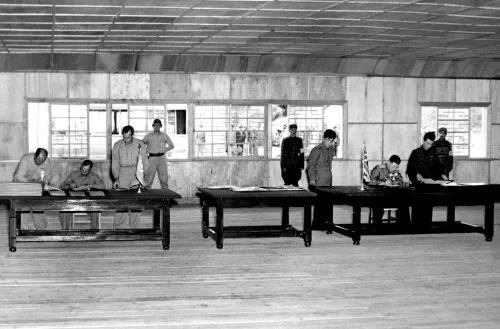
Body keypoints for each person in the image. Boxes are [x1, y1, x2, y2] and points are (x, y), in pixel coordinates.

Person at [112, 125, 149, 229]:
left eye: (128, 137)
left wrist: (144, 179)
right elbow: (115, 164)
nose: (126, 140)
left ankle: (134, 228)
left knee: (136, 203)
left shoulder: (140, 144)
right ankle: (118, 228)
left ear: (132, 135)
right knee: (121, 202)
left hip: (136, 173)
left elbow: (145, 162)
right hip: (122, 173)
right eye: (124, 137)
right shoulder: (117, 145)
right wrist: (116, 178)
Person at [406, 131, 444, 232]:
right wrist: (415, 175)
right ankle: (416, 228)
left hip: (430, 185)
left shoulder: (434, 153)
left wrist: (443, 175)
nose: (429, 146)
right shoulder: (415, 153)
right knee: (418, 207)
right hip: (419, 186)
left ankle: (427, 227)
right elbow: (410, 169)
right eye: (427, 143)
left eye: (431, 144)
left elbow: (439, 168)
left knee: (428, 207)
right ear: (423, 141)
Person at [59, 159, 106, 230]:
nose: (83, 172)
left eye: (86, 171)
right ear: (81, 167)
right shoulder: (74, 174)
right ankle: (65, 233)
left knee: (96, 208)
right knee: (64, 210)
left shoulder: (94, 176)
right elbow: (62, 186)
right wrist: (69, 186)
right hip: (74, 202)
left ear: (90, 170)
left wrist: (89, 186)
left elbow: (103, 186)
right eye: (82, 169)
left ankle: (93, 232)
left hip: (88, 203)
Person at [13, 148, 53, 230]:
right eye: (38, 160)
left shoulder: (47, 161)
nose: (40, 163)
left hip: (36, 183)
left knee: (38, 203)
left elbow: (48, 176)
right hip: (22, 182)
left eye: (42, 161)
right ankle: (25, 229)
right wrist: (31, 186)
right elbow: (19, 177)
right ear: (35, 155)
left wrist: (44, 183)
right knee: (24, 204)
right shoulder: (26, 159)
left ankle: (41, 227)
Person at [369, 155, 410, 232]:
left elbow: (400, 180)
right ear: (389, 162)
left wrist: (399, 182)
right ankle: (377, 229)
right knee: (378, 206)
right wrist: (383, 183)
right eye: (393, 166)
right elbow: (371, 182)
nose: (394, 169)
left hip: (392, 196)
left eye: (396, 167)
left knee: (404, 204)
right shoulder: (379, 168)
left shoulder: (395, 171)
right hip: (379, 197)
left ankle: (403, 228)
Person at [306, 129, 337, 231]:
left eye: (332, 141)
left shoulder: (331, 149)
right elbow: (311, 166)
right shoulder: (317, 150)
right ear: (324, 139)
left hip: (328, 180)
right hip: (319, 181)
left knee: (328, 203)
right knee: (320, 204)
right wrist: (312, 180)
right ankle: (317, 225)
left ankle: (327, 222)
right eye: (330, 141)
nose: (331, 143)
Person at [142, 119, 174, 189]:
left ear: (161, 126)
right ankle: (147, 198)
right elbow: (141, 144)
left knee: (164, 179)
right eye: (155, 125)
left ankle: (165, 197)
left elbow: (171, 145)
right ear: (153, 126)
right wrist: (145, 151)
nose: (157, 127)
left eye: (158, 125)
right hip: (152, 159)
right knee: (148, 178)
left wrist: (165, 150)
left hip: (162, 158)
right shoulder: (148, 136)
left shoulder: (164, 135)